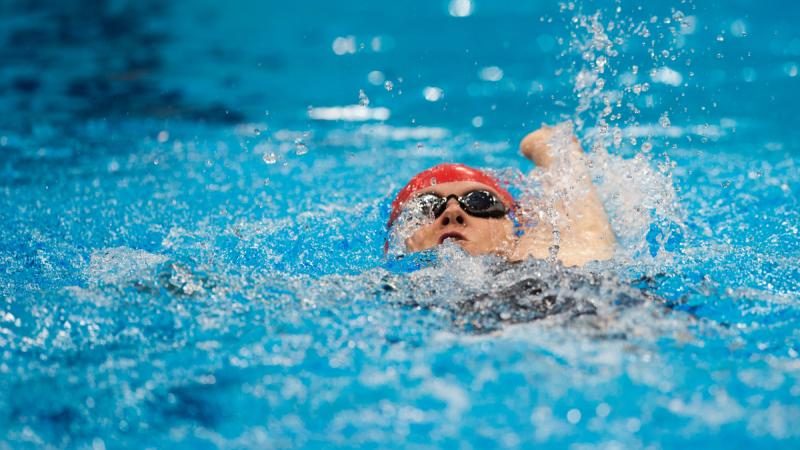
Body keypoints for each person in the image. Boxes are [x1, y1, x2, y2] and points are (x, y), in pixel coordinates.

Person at [387, 123, 616, 267]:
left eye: (479, 201)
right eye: (425, 208)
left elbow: (586, 236)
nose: (453, 212)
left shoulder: (548, 271)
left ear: (511, 229)